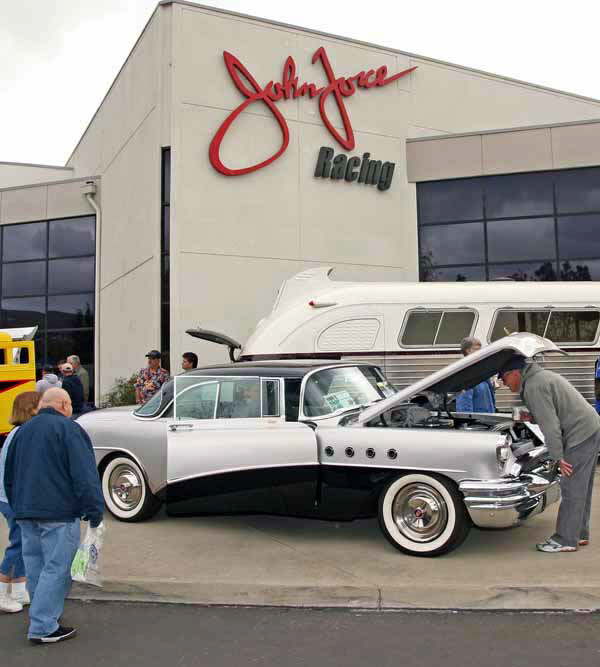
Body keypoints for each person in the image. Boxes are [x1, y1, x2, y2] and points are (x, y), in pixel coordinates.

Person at [4, 387, 103, 644]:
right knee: (57, 569)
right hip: (59, 512)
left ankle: (42, 618)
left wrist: (18, 506)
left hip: (26, 511)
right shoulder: (69, 429)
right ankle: (43, 626)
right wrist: (95, 512)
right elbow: (84, 475)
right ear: (64, 405)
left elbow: (9, 475)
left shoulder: (21, 431)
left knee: (36, 566)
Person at [499, 354, 600, 553]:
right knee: (582, 488)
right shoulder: (541, 377)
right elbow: (553, 412)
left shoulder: (534, 386)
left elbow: (551, 426)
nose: (503, 383)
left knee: (571, 488)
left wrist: (558, 457)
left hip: (579, 434)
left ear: (515, 373)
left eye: (503, 378)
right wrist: (532, 416)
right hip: (590, 427)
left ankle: (565, 539)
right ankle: (578, 534)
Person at [0, 391, 41, 614]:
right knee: (19, 544)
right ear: (31, 409)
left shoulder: (15, 432)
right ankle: (3, 591)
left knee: (24, 543)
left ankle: (18, 589)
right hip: (14, 498)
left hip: (8, 497)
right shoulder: (24, 433)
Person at [455, 337, 496, 413]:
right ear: (468, 351)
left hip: (487, 421)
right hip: (477, 423)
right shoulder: (465, 376)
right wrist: (468, 423)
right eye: (477, 349)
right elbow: (463, 408)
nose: (480, 352)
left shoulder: (481, 373)